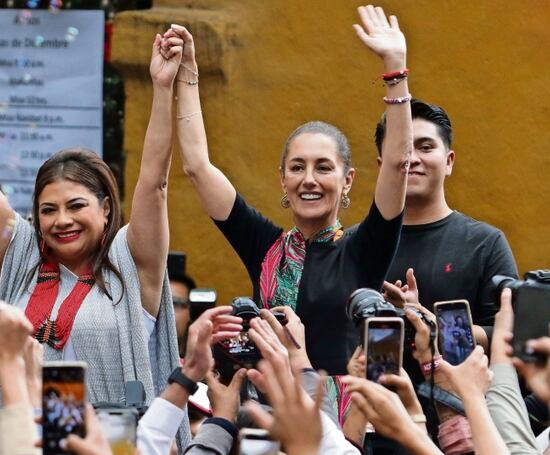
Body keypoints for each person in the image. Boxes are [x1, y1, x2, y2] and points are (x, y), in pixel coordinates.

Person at [0, 27, 184, 426]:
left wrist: (162, 88)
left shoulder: (132, 262)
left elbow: (154, 183)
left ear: (106, 209)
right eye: (48, 210)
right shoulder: (21, 257)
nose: (62, 221)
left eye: (76, 206)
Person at [171, 9, 413, 376]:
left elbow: (397, 164)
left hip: (340, 425)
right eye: (297, 167)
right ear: (283, 179)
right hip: (266, 418)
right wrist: (186, 74)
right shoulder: (265, 249)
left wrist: (395, 68)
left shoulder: (363, 250)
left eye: (324, 167)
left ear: (347, 180)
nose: (309, 179)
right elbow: (197, 168)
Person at [376, 100, 518, 332]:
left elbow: (506, 334)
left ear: (449, 161)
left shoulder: (485, 244)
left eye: (426, 147)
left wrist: (427, 321)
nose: (412, 159)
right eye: (400, 148)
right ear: (381, 166)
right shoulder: (356, 245)